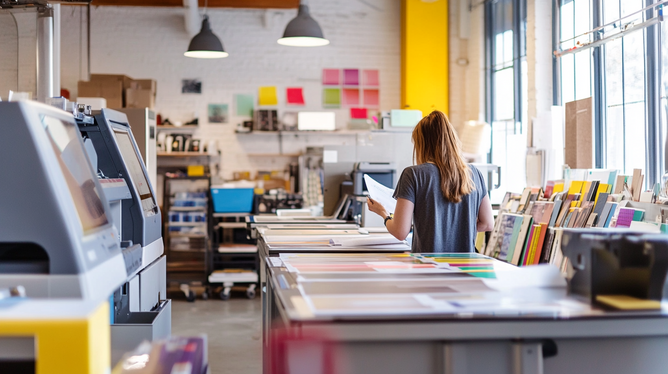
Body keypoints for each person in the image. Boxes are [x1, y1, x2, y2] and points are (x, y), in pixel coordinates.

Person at [368, 110, 494, 253]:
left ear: (422, 144)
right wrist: (458, 229)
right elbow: (488, 223)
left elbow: (400, 232)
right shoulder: (474, 173)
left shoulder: (413, 175)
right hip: (467, 268)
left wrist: (383, 212)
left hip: (428, 268)